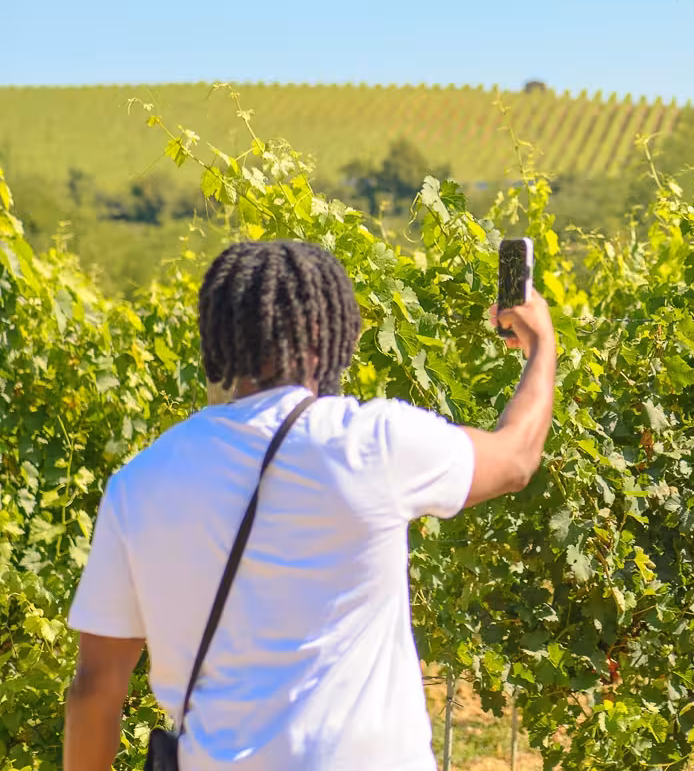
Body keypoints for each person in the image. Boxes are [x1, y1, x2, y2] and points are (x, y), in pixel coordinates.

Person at [62, 240, 557, 770]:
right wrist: (542, 343)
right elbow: (516, 457)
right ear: (328, 333)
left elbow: (96, 688)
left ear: (217, 335)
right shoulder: (369, 444)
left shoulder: (141, 482)